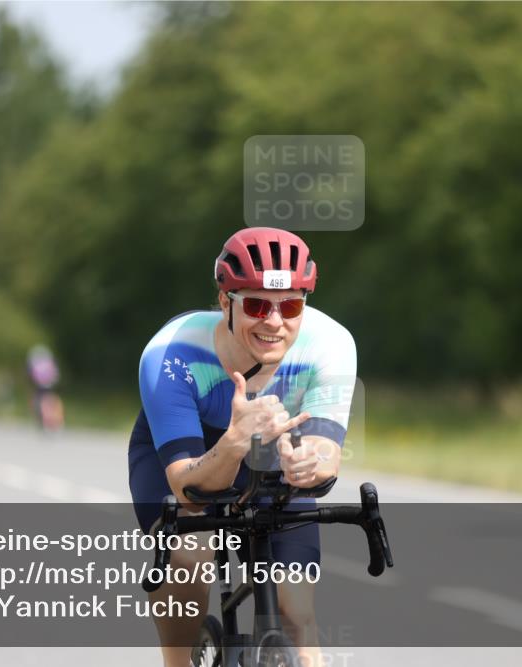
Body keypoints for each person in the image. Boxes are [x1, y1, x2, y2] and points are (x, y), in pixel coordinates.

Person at [129, 227, 356, 667]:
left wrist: (309, 465)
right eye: (255, 304)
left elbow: (326, 453)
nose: (274, 322)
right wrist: (233, 442)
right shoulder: (170, 353)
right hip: (191, 454)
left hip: (276, 450)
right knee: (189, 558)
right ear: (224, 303)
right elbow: (183, 485)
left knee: (298, 614)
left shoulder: (331, 346)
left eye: (290, 305)